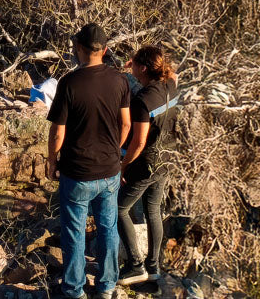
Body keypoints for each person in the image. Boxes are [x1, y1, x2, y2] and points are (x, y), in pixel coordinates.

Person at [46, 24, 131, 299]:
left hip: (77, 171)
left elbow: (58, 132)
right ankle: (107, 286)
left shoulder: (69, 83)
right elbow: (127, 124)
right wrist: (113, 149)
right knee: (108, 229)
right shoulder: (119, 81)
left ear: (79, 49)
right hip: (109, 170)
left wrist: (51, 162)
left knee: (74, 232)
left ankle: (74, 289)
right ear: (104, 51)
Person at [117, 45, 180, 286]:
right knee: (153, 210)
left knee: (120, 209)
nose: (131, 68)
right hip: (166, 159)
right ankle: (154, 267)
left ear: (143, 68)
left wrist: (124, 165)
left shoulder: (141, 101)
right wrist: (138, 62)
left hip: (146, 164)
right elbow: (172, 73)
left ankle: (135, 266)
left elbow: (139, 141)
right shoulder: (170, 85)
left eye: (134, 65)